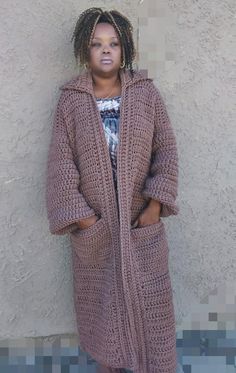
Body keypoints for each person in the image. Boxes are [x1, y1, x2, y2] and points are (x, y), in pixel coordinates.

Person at [46, 7, 179, 373]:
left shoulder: (146, 94)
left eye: (114, 43)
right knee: (105, 311)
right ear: (83, 50)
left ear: (126, 49)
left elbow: (165, 149)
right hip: (98, 231)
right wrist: (86, 221)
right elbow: (61, 165)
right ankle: (112, 365)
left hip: (142, 225)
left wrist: (154, 207)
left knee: (151, 305)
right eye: (96, 44)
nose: (105, 50)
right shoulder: (71, 101)